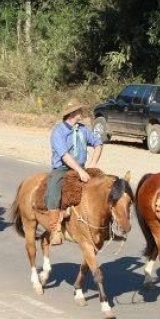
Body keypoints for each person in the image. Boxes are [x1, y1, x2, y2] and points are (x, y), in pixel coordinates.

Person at [45, 101, 103, 245]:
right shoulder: (58, 131)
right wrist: (80, 171)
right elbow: (65, 156)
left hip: (83, 167)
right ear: (71, 114)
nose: (81, 113)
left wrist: (93, 164)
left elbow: (98, 144)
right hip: (63, 169)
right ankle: (55, 230)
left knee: (103, 185)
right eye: (78, 111)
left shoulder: (83, 129)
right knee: (53, 192)